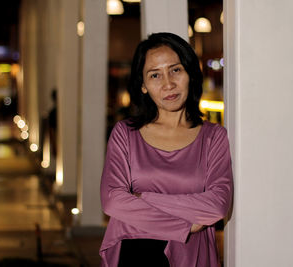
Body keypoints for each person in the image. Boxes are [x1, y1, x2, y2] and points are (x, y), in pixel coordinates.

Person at [100, 32, 233, 267]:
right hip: (134, 256)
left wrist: (142, 199)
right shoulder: (125, 134)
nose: (168, 84)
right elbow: (112, 201)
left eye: (175, 70)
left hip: (190, 256)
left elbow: (217, 205)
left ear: (190, 73)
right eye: (155, 75)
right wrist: (186, 224)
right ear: (143, 85)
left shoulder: (214, 137)